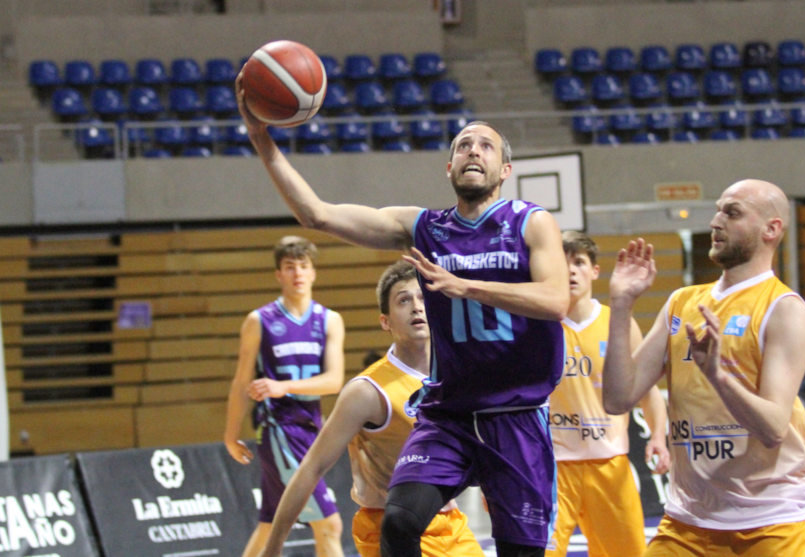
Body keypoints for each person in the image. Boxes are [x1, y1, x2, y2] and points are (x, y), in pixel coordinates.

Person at [236, 69, 569, 557]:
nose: (473, 150)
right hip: (449, 412)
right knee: (398, 522)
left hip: (516, 415)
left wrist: (467, 286)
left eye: (486, 146)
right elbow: (317, 215)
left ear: (504, 172)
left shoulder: (531, 222)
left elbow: (556, 300)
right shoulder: (423, 227)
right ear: (449, 166)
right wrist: (262, 139)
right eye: (463, 145)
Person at [601, 179, 805, 556]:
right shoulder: (681, 302)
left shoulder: (784, 308)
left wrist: (719, 376)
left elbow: (773, 428)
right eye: (718, 209)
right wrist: (621, 306)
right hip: (688, 523)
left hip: (770, 524)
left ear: (772, 229)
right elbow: (618, 399)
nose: (716, 221)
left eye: (732, 212)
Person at [260, 260, 484, 557]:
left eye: (423, 298)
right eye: (404, 300)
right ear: (385, 321)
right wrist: (273, 548)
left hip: (450, 523)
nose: (417, 307)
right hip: (389, 528)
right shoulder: (366, 391)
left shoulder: (457, 375)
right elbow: (312, 468)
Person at [546, 231, 671, 557]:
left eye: (579, 262)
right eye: (563, 263)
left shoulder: (618, 324)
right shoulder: (538, 325)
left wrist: (658, 434)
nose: (571, 270)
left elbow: (648, 390)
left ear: (595, 271)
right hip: (553, 467)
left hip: (609, 463)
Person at [223, 235, 346, 557]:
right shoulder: (258, 321)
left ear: (314, 272)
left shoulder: (329, 320)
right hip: (279, 431)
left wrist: (285, 386)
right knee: (329, 525)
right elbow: (240, 383)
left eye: (303, 266)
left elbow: (334, 381)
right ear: (279, 275)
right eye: (290, 267)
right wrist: (230, 435)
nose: (298, 274)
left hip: (311, 430)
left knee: (271, 525)